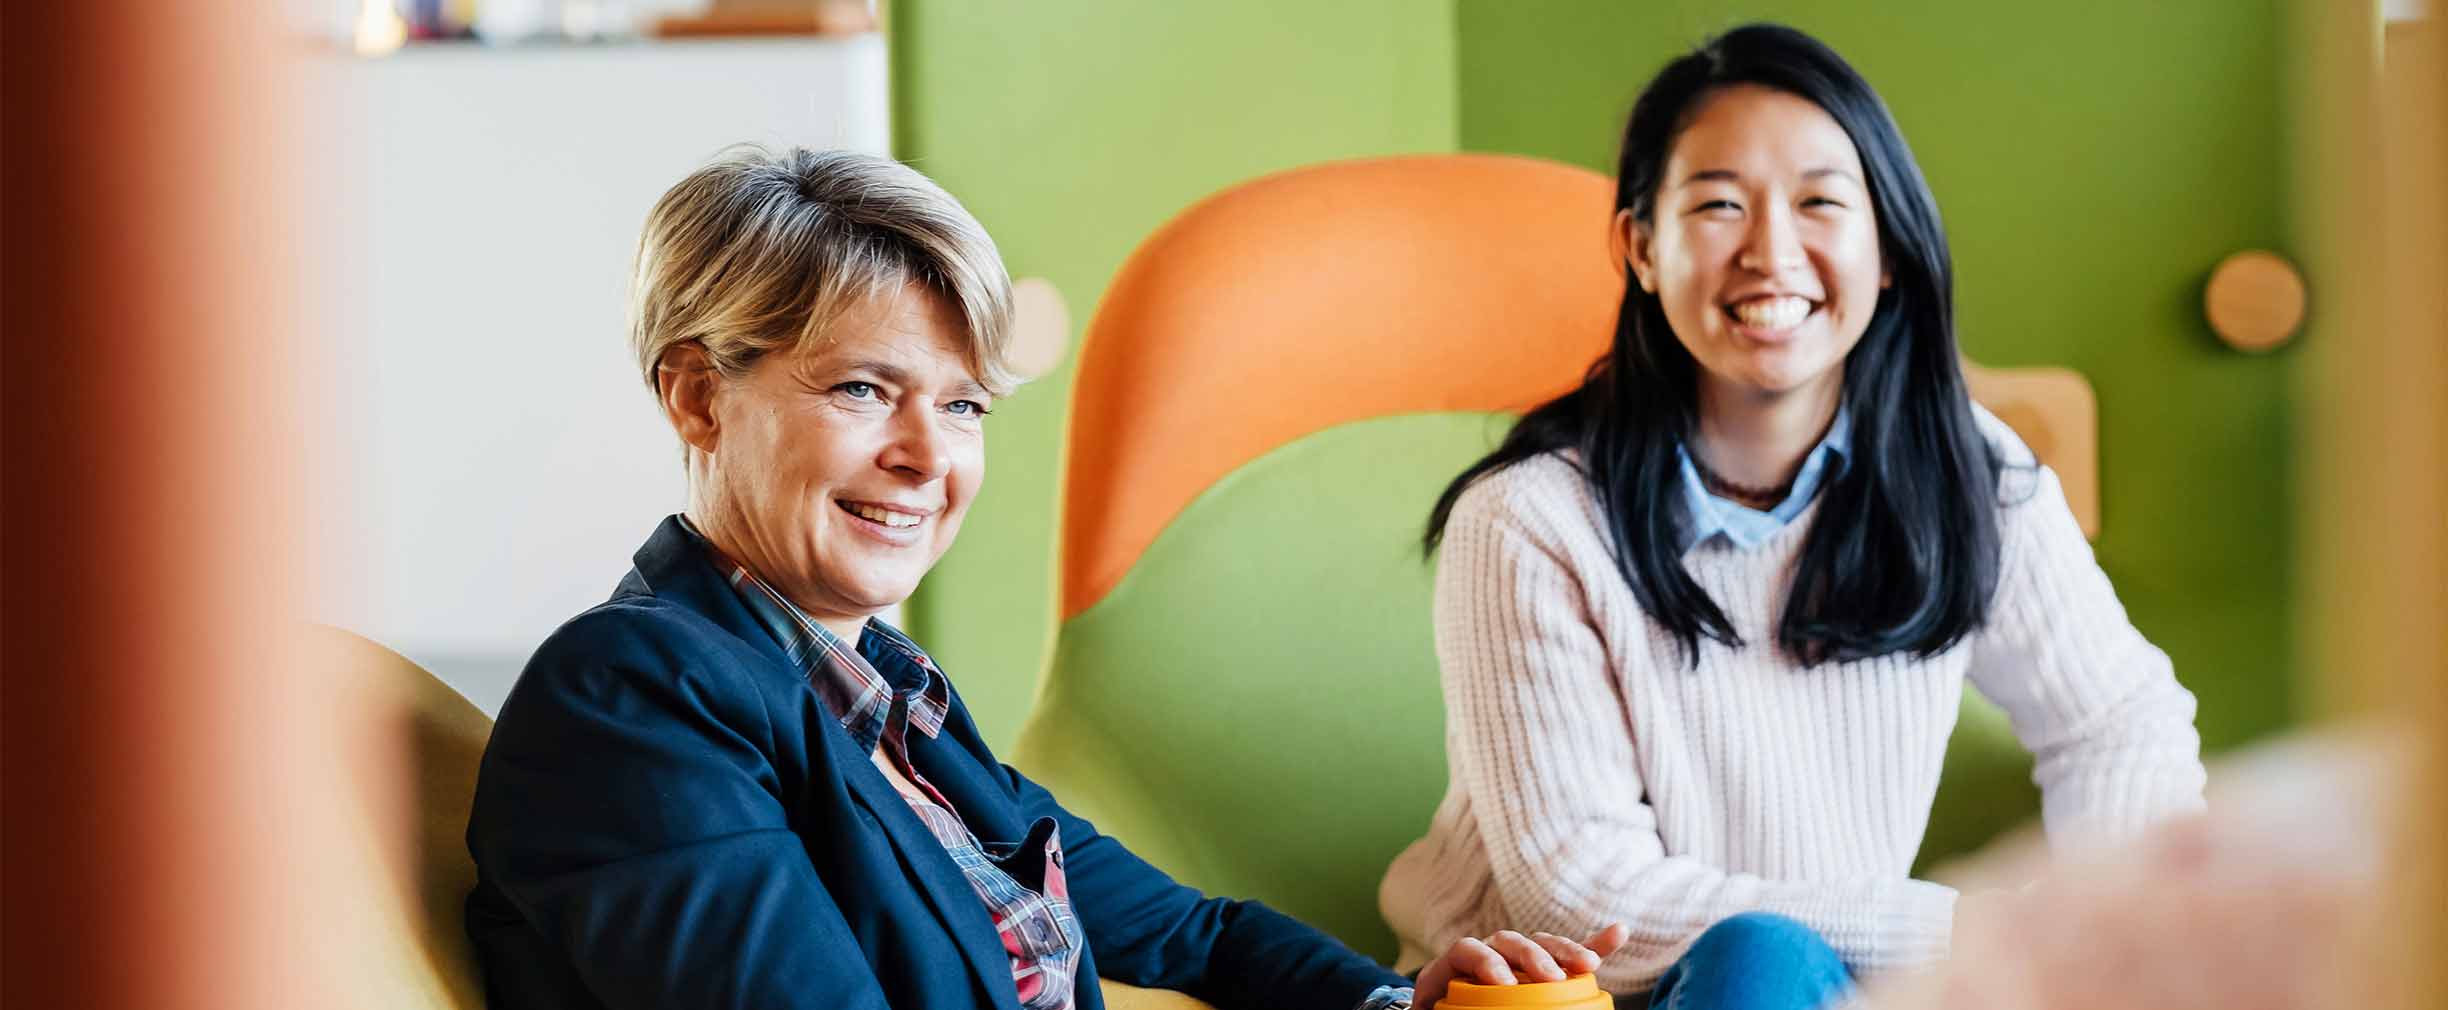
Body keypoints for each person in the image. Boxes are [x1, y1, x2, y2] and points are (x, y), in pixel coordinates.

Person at [462, 146, 1622, 1010]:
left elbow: (1198, 934)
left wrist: (1394, 1002)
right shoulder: (633, 696)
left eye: (962, 404)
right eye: (864, 388)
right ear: (699, 395)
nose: (928, 455)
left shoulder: (888, 698)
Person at [1378, 23, 2208, 1009]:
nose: (1772, 252)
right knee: (1756, 957)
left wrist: (2097, 927)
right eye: (1719, 205)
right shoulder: (1528, 520)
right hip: (1570, 998)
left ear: (1888, 248)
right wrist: (1978, 926)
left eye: (1820, 201)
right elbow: (1584, 896)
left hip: (1830, 985)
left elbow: (2121, 722)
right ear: (1641, 249)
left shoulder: (1969, 473)